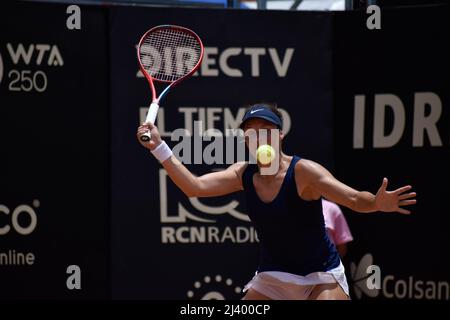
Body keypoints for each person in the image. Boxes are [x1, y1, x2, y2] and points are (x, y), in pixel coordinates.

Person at [136, 103, 416, 300]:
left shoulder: (305, 172)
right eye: (251, 130)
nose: (258, 135)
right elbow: (194, 187)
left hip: (320, 275)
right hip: (273, 277)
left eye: (265, 128)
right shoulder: (242, 174)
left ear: (280, 135)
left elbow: (355, 199)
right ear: (245, 139)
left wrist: (376, 203)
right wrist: (159, 147)